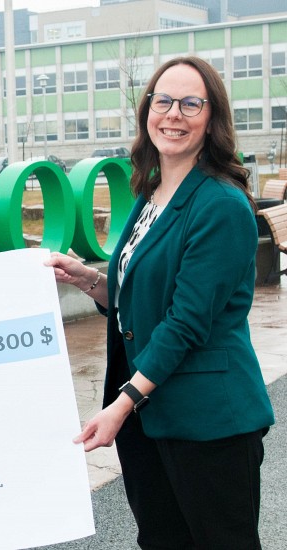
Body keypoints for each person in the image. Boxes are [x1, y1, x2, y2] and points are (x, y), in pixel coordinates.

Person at [47, 56, 274, 549]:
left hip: (209, 423)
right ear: (147, 110)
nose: (174, 114)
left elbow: (186, 322)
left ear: (212, 118)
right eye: (163, 100)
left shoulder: (221, 204)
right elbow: (139, 299)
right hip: (153, 419)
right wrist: (88, 279)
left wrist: (122, 404)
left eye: (191, 103)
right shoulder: (152, 192)